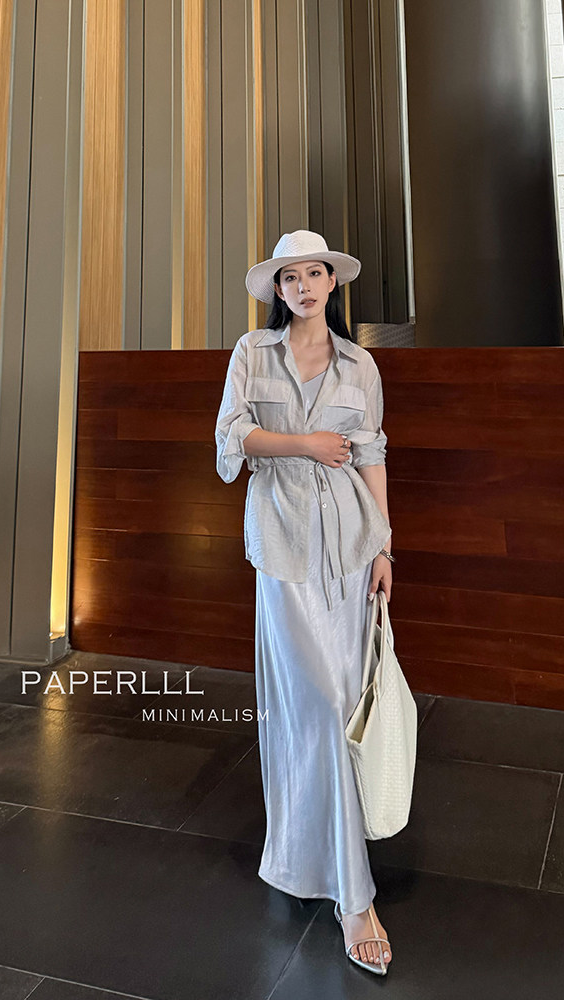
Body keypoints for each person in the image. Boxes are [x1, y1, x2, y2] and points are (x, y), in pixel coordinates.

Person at [214, 230, 395, 974]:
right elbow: (230, 442)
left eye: (315, 273)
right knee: (315, 706)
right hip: (284, 546)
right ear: (278, 290)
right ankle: (355, 898)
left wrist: (384, 546)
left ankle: (307, 856)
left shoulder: (360, 364)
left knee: (343, 707)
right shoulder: (251, 353)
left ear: (331, 282)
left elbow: (373, 453)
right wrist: (306, 444)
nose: (305, 286)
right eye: (290, 278)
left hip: (350, 547)